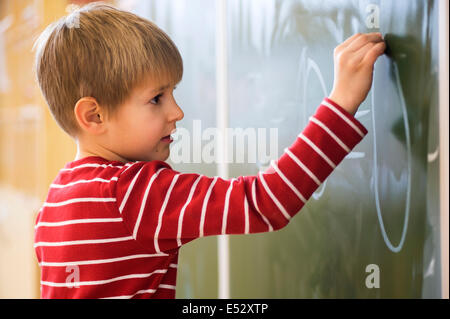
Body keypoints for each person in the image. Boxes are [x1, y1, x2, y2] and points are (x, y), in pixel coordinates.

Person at [33, 2, 386, 299]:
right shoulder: (133, 194)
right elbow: (265, 203)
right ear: (94, 115)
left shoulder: (53, 204)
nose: (177, 112)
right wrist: (341, 104)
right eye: (156, 99)